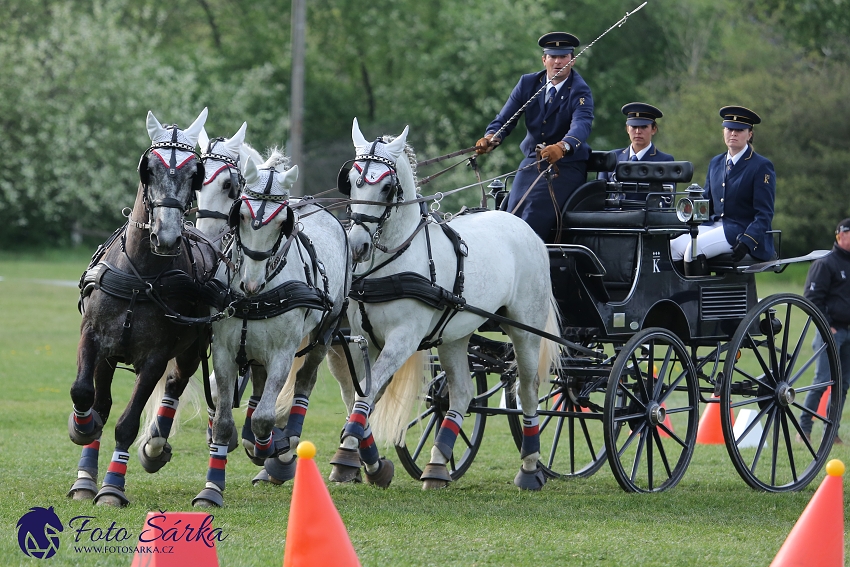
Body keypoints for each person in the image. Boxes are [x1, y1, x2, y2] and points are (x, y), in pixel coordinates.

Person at [476, 31, 594, 241]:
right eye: (553, 56)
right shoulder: (528, 83)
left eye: (563, 56)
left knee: (533, 213)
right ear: (544, 59)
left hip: (566, 165)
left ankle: (528, 258)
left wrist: (563, 146)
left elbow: (582, 125)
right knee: (511, 213)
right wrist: (491, 136)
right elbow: (506, 117)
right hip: (533, 162)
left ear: (572, 60)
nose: (558, 62)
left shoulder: (580, 90)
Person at [670, 106, 775, 275]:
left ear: (749, 134)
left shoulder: (761, 166)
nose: (733, 133)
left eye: (739, 130)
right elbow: (707, 203)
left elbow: (765, 213)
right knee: (674, 246)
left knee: (693, 250)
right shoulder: (716, 162)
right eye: (729, 129)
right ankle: (678, 298)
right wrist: (684, 226)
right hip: (714, 225)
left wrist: (748, 240)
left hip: (740, 229)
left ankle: (697, 299)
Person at [798, 219, 850, 445]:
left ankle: (832, 432)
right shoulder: (825, 263)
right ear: (840, 235)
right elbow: (812, 299)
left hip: (847, 332)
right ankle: (804, 430)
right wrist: (827, 325)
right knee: (821, 381)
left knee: (843, 384)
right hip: (830, 331)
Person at [598, 102, 674, 183]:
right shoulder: (612, 159)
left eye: (644, 127)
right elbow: (598, 193)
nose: (638, 131)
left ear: (653, 129)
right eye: (634, 127)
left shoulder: (664, 161)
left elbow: (667, 194)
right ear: (627, 129)